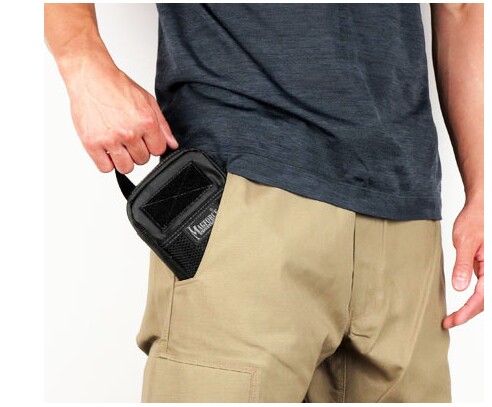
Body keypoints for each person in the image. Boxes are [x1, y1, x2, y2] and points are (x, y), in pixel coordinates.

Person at [44, 3, 483, 403]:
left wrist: (482, 189)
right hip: (246, 192)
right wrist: (82, 62)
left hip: (408, 225)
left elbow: (461, 8)